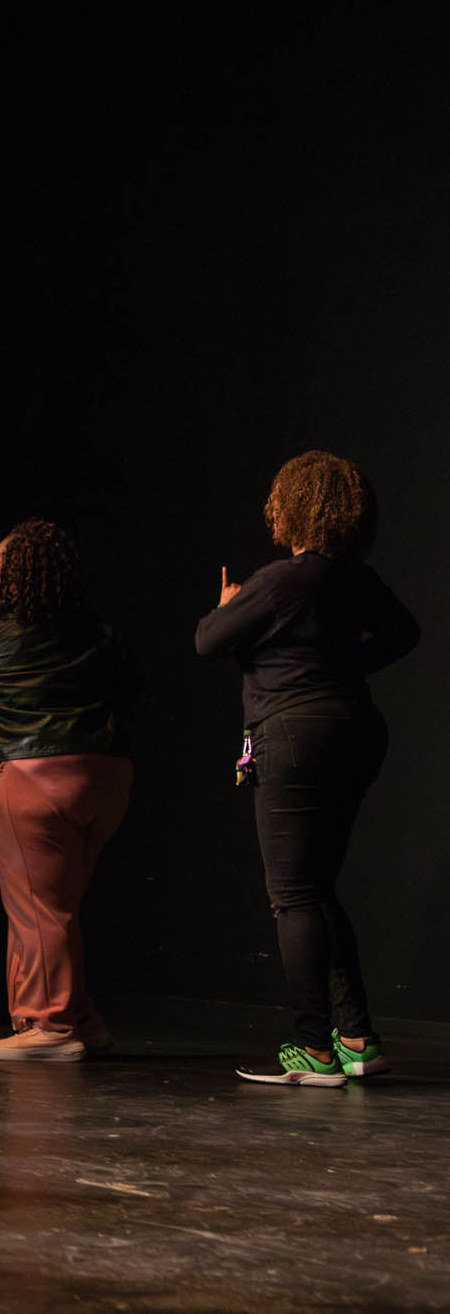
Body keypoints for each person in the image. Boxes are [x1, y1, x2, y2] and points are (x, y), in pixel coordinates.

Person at [196, 451, 418, 1086]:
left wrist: (226, 604)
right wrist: (343, 663)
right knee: (317, 887)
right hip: (356, 730)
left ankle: (313, 1049)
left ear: (291, 508)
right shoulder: (359, 580)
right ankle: (357, 1038)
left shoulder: (282, 580)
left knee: (292, 895)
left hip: (293, 733)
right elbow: (406, 635)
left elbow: (208, 640)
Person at [0, 520, 133, 1062]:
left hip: (28, 779)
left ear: (11, 572)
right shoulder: (96, 629)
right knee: (58, 908)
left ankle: (49, 1027)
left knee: (39, 911)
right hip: (103, 779)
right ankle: (83, 1017)